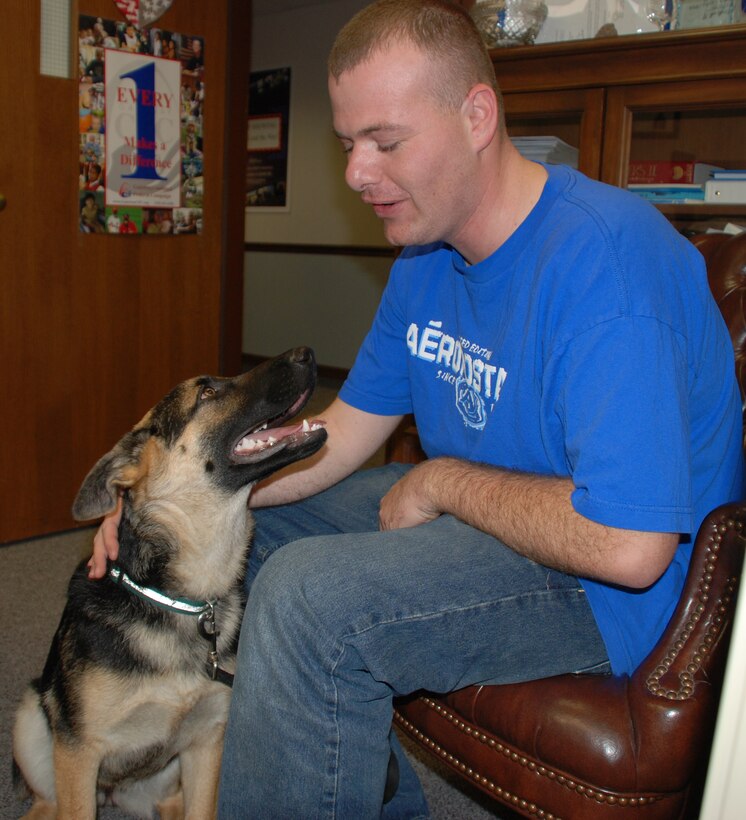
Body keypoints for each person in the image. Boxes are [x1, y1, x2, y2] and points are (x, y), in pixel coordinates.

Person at [89, 1, 744, 816]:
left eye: (386, 142)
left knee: (308, 600)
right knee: (243, 534)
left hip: (603, 586)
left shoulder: (608, 267)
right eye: (348, 145)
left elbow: (630, 547)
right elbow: (341, 435)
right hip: (493, 524)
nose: (357, 174)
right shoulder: (426, 258)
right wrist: (168, 501)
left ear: (477, 117)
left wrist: (440, 482)